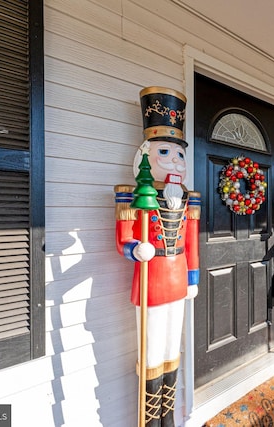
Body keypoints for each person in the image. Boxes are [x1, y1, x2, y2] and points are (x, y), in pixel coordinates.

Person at [114, 87, 200, 427]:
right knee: (150, 353)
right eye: (165, 151)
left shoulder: (188, 199)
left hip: (178, 280)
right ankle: (150, 421)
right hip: (150, 284)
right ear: (145, 155)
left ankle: (168, 419)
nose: (174, 161)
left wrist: (193, 277)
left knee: (171, 350)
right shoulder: (130, 196)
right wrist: (135, 248)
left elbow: (192, 243)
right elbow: (122, 239)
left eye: (179, 154)